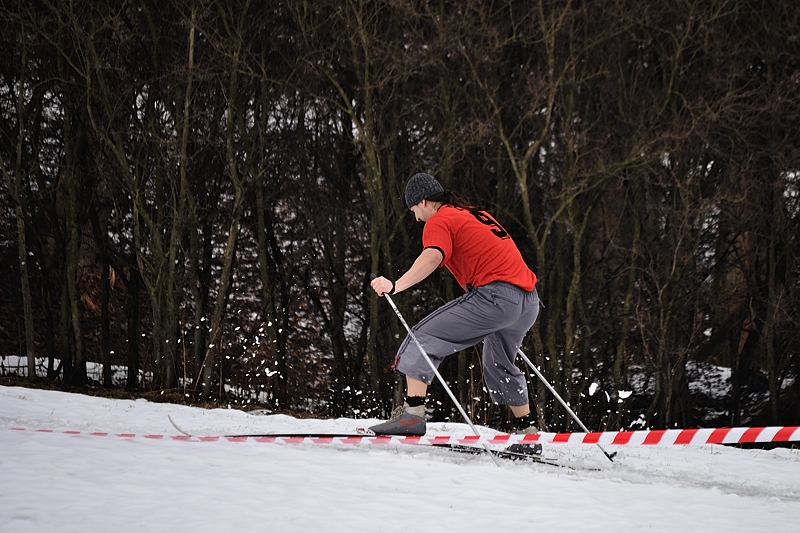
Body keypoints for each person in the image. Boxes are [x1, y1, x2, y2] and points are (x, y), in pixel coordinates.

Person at [369, 173, 541, 436]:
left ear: (424, 202)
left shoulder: (440, 220)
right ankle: (527, 429)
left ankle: (413, 414)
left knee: (422, 336)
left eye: (414, 210)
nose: (415, 217)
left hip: (496, 298)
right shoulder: (473, 213)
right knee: (499, 362)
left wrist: (395, 285)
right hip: (528, 301)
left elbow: (432, 256)